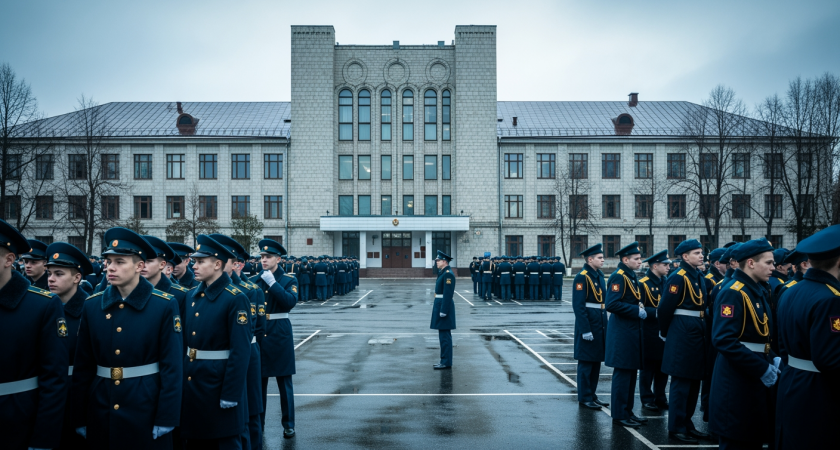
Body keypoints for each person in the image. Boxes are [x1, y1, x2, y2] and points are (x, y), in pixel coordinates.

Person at [71, 227, 183, 448]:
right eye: (108, 261)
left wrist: (167, 416)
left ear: (139, 266)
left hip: (145, 406)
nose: (110, 267)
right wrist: (79, 415)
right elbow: (83, 367)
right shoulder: (93, 305)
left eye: (120, 262)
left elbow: (172, 367)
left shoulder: (163, 305)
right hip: (101, 405)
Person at [0, 220, 68, 450]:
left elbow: (54, 379)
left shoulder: (42, 305)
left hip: (17, 423)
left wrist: (43, 441)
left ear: (9, 260)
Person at [709, 238, 779, 450]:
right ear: (750, 263)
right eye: (768, 263)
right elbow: (723, 339)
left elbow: (762, 335)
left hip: (753, 373)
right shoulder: (734, 291)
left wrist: (773, 357)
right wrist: (762, 368)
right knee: (738, 440)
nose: (773, 268)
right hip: (738, 378)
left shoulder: (756, 289)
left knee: (752, 437)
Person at [775, 225, 840, 449]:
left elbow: (782, 345)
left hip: (792, 381)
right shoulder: (831, 298)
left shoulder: (792, 290)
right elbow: (831, 360)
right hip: (819, 393)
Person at [210, 233, 266, 450]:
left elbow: (258, 329)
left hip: (246, 354)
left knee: (250, 413)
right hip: (216, 364)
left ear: (234, 264)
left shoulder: (249, 290)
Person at [658, 239, 710, 444]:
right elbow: (664, 308)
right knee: (681, 382)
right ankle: (676, 427)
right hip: (682, 329)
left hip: (697, 329)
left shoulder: (697, 275)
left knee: (694, 380)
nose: (701, 256)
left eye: (701, 252)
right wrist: (665, 331)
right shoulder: (678, 277)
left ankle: (687, 424)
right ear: (685, 256)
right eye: (696, 253)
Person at [45, 241, 94, 450]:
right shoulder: (43, 308)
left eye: (59, 274)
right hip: (48, 396)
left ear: (77, 278)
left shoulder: (91, 310)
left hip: (79, 396)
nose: (51, 279)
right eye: (49, 274)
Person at [252, 239, 299, 439]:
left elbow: (289, 302)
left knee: (284, 382)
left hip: (279, 332)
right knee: (259, 382)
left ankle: (288, 423)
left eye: (268, 257)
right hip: (261, 332)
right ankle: (258, 423)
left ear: (278, 259)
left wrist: (273, 284)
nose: (264, 260)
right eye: (262, 257)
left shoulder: (288, 280)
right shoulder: (255, 280)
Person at [604, 242, 647, 428]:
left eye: (640, 258)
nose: (640, 261)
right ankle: (620, 414)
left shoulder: (630, 276)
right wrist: (635, 310)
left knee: (630, 373)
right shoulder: (619, 277)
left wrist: (638, 308)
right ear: (625, 259)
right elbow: (611, 304)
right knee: (622, 375)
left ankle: (628, 411)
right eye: (636, 259)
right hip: (622, 333)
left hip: (630, 331)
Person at [572, 244, 609, 410]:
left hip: (599, 322)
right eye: (599, 258)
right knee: (586, 364)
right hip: (588, 323)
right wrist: (585, 329)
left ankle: (592, 395)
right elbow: (579, 307)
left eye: (602, 257)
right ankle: (585, 397)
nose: (603, 260)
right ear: (589, 259)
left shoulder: (598, 275)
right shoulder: (582, 277)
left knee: (595, 363)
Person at [638, 250, 671, 413]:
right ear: (655, 266)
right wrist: (656, 312)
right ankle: (647, 398)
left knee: (663, 368)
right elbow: (640, 308)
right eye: (665, 265)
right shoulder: (643, 283)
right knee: (647, 369)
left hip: (664, 331)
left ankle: (660, 397)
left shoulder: (666, 282)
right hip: (649, 331)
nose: (668, 267)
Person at [430, 251, 457, 369]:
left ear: (444, 261)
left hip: (443, 307)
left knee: (445, 337)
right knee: (443, 336)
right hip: (440, 305)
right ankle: (444, 360)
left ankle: (446, 362)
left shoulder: (448, 274)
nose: (436, 262)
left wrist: (444, 310)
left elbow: (447, 294)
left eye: (438, 260)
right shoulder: (442, 273)